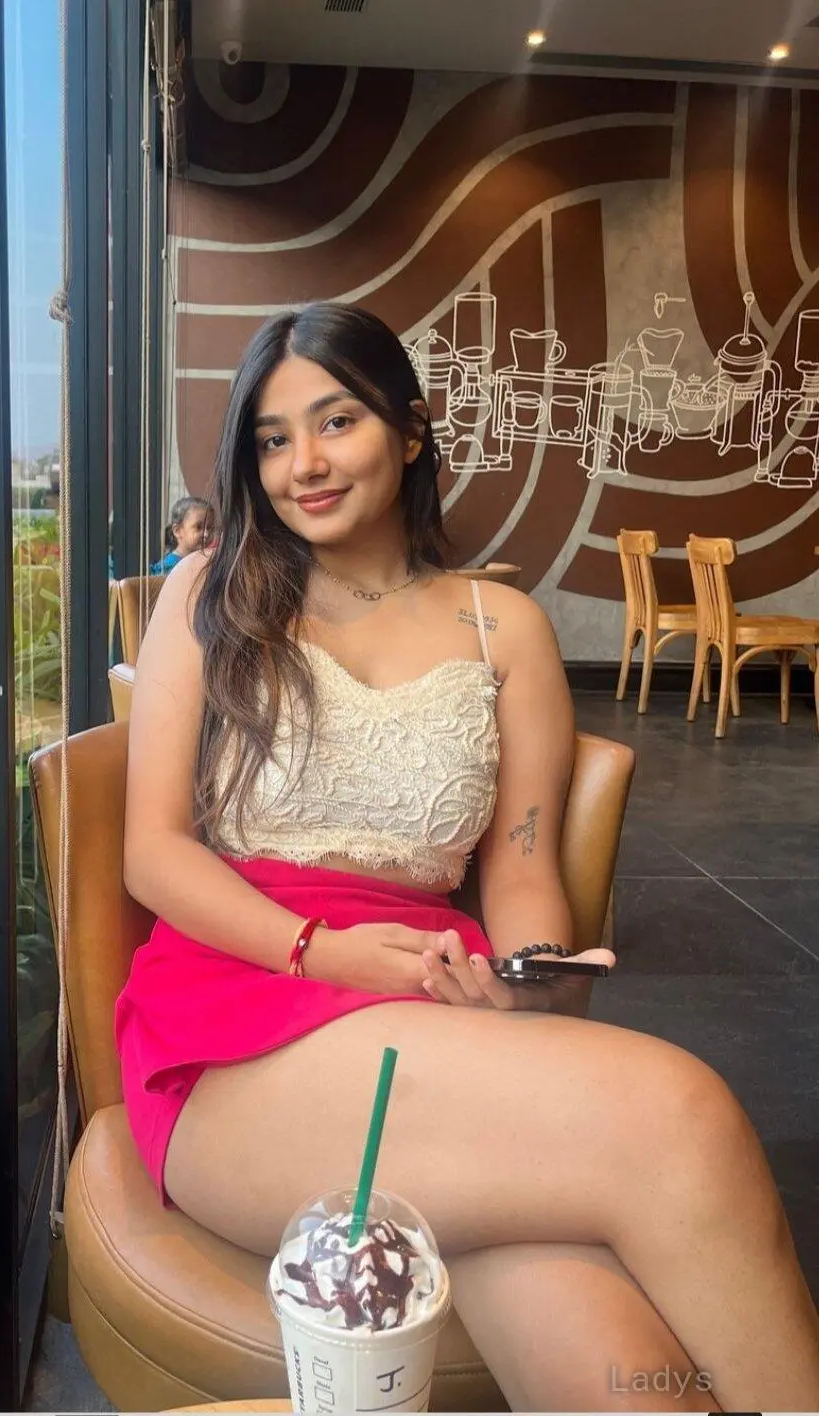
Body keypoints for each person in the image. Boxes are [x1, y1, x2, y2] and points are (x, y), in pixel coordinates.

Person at [116, 302, 819, 1412]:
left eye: (336, 421)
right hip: (237, 1016)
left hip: (436, 1002)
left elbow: (523, 870)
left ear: (409, 430)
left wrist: (533, 981)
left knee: (628, 1378)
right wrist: (326, 952)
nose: (303, 465)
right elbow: (152, 854)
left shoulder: (504, 626)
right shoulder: (214, 595)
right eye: (272, 438)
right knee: (683, 1115)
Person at [150, 495, 211, 574]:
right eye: (198, 527)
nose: (206, 534)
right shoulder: (167, 569)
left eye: (210, 527)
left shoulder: (207, 563)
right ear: (177, 531)